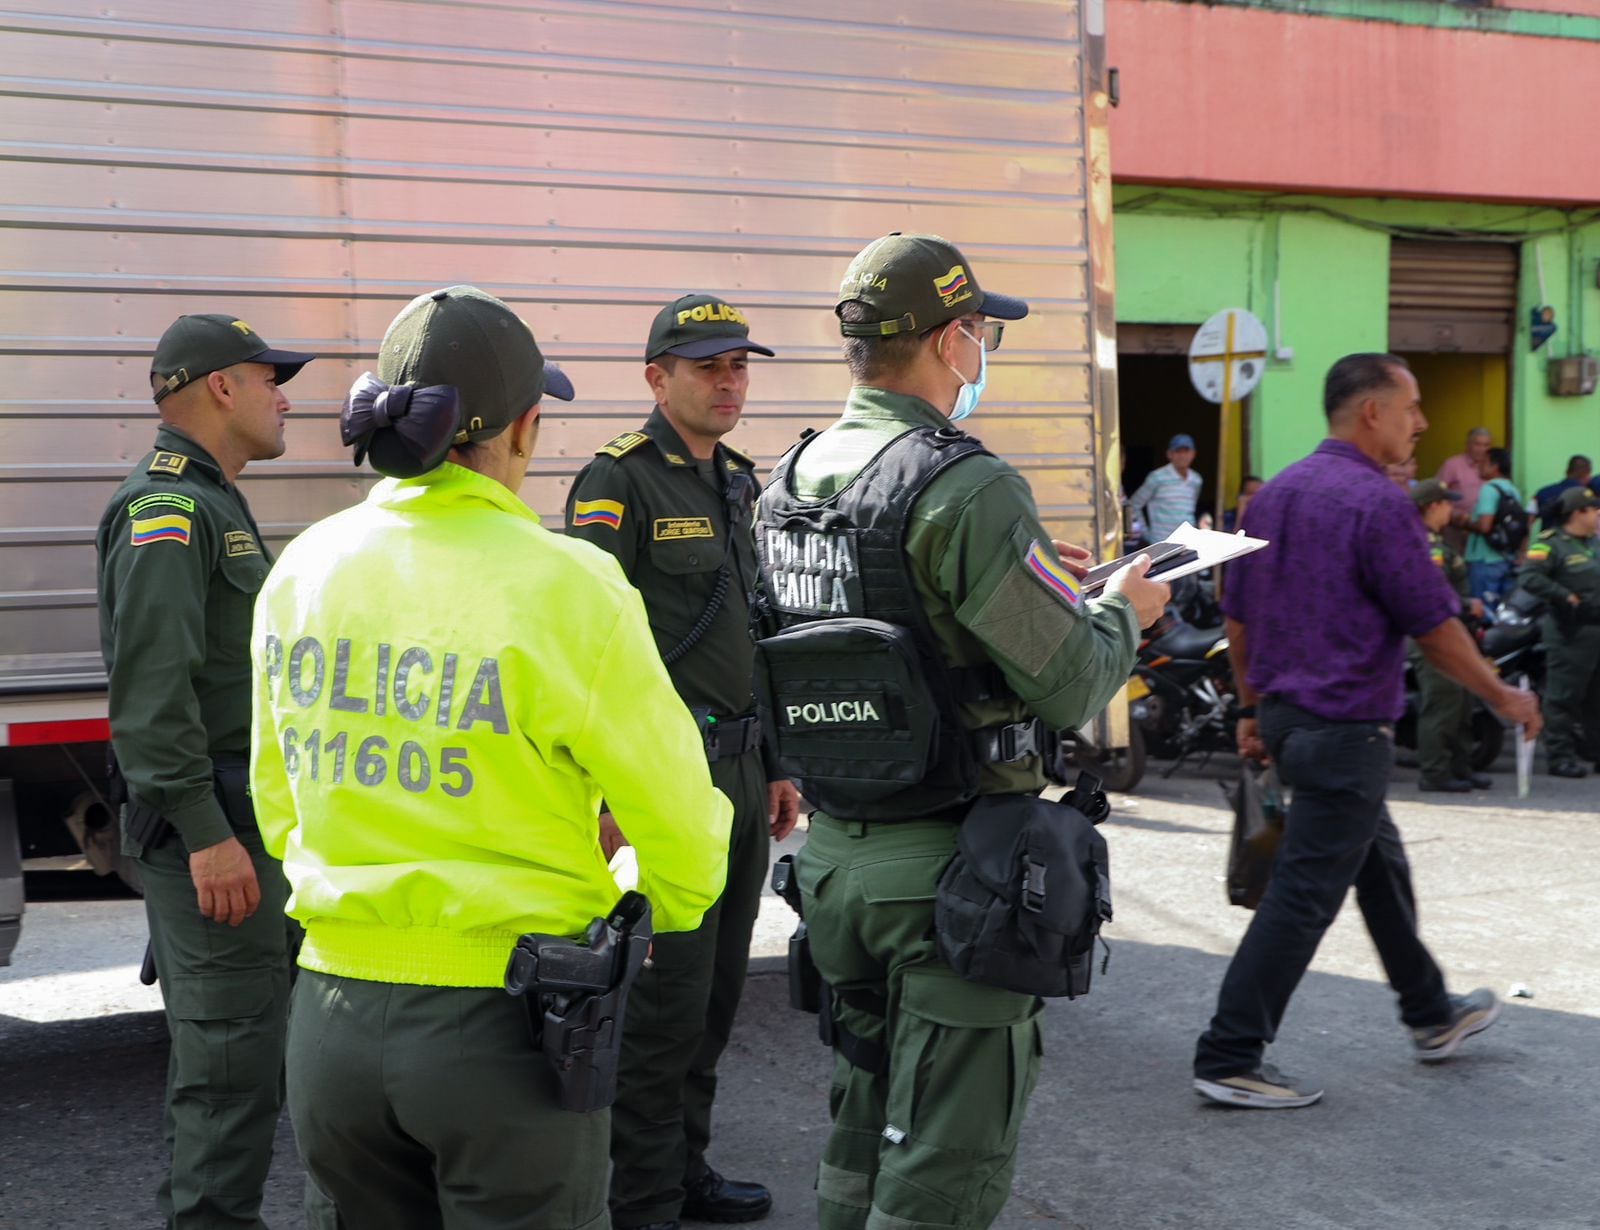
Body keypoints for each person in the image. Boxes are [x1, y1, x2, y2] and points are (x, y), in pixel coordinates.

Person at [250, 285, 733, 1228]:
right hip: (505, 1030)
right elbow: (679, 818)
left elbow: (279, 802)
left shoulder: (303, 567)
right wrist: (659, 905)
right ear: (523, 427)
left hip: (331, 1020)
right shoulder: (569, 583)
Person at [759, 232, 1169, 1229]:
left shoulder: (790, 480)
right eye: (982, 331)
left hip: (838, 864)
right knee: (941, 1171)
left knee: (862, 1136)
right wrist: (1125, 613)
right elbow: (1071, 683)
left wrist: (1035, 580)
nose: (984, 350)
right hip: (953, 877)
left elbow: (892, 610)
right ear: (950, 339)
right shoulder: (967, 486)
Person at [1194, 353, 1540, 1109]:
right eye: (1411, 407)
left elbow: (1237, 619)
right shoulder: (1379, 504)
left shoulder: (1272, 497)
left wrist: (1251, 711)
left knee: (1377, 863)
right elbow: (1434, 629)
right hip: (1346, 732)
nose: (1422, 423)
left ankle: (1430, 1012)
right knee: (1302, 897)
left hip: (1292, 724)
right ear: (1372, 411)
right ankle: (1230, 1054)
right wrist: (1503, 697)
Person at [564, 295, 802, 1230]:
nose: (729, 382)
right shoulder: (617, 480)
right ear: (657, 380)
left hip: (737, 772)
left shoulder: (737, 479)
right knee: (662, 1006)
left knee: (715, 997)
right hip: (661, 780)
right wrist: (605, 791)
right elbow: (584, 646)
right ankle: (644, 1201)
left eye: (739, 365)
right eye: (708, 367)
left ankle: (685, 1167)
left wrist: (775, 760)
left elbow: (752, 631)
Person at [95, 313, 315, 1228]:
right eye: (269, 380)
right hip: (217, 834)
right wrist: (205, 834)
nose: (285, 398)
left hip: (247, 824)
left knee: (255, 1057)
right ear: (220, 387)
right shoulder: (169, 509)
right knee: (228, 1072)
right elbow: (153, 697)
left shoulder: (215, 499)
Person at [1409, 478, 1490, 793]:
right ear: (1433, 506)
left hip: (1453, 634)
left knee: (1461, 704)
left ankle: (1460, 766)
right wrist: (1468, 604)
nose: (1451, 510)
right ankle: (1435, 772)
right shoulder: (1425, 546)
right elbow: (1430, 593)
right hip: (1433, 637)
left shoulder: (1436, 542)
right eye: (1447, 504)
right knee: (1442, 703)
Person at [1518, 486, 1600, 779]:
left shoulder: (1594, 543)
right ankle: (1560, 756)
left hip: (1597, 629)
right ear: (1577, 513)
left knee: (1596, 698)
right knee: (1563, 696)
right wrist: (1563, 595)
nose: (1598, 514)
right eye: (1593, 509)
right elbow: (1529, 577)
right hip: (1571, 631)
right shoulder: (1551, 544)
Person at [1464, 446, 1524, 604]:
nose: (1479, 465)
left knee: (1483, 608)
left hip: (1485, 559)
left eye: (1484, 462)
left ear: (1495, 467)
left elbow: (1485, 526)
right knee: (1503, 607)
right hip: (1506, 557)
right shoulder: (1513, 490)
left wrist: (1464, 522)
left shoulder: (1489, 489)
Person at [1129, 432, 1204, 543]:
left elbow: (1190, 508)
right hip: (1162, 542)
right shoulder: (1157, 477)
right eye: (1178, 451)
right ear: (1169, 454)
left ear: (1193, 454)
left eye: (1186, 451)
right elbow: (1134, 504)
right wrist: (1146, 533)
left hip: (1189, 542)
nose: (1183, 455)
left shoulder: (1196, 480)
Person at [1437, 426, 1492, 551]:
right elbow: (1437, 494)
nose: (1482, 449)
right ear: (1468, 445)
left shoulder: (1491, 467)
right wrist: (1456, 515)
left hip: (1483, 530)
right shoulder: (1452, 465)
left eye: (1486, 445)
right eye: (1477, 444)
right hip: (1456, 528)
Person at [1534, 454, 1592, 529]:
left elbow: (1529, 520)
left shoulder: (1542, 492)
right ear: (1587, 474)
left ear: (1566, 472)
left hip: (1548, 536)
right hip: (1578, 536)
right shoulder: (1589, 496)